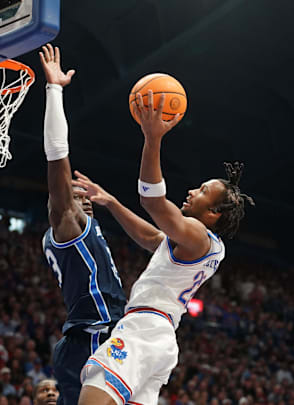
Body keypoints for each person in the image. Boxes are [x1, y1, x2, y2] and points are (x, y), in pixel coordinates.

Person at [76, 90, 254, 405]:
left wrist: (152, 138)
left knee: (93, 393)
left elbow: (152, 202)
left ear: (213, 213)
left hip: (144, 328)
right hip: (159, 336)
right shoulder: (198, 244)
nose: (190, 191)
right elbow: (151, 238)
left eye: (201, 191)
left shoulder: (197, 234)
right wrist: (113, 203)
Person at [38, 44, 127, 405]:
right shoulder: (68, 226)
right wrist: (54, 91)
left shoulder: (87, 227)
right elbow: (57, 156)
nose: (83, 196)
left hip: (100, 334)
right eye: (75, 193)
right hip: (90, 336)